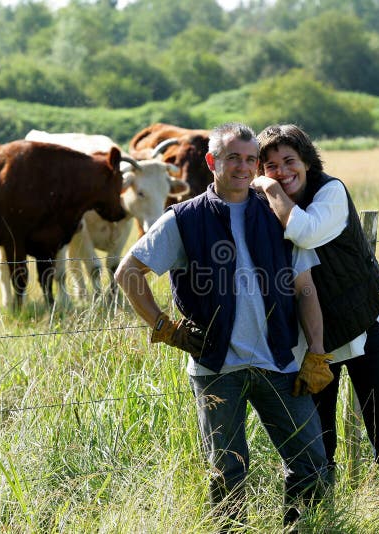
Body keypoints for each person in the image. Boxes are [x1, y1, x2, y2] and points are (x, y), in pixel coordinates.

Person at [115, 122, 331, 531]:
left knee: (311, 462)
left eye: (251, 159)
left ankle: (301, 529)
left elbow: (304, 289)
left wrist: (316, 354)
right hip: (216, 369)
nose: (244, 167)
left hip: (280, 363)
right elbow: (128, 272)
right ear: (212, 161)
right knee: (227, 474)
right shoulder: (184, 219)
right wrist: (165, 326)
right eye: (234, 157)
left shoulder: (277, 212)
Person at [251, 124, 379, 530]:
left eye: (289, 161)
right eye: (270, 166)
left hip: (365, 333)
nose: (282, 171)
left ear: (307, 160)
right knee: (314, 447)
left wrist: (268, 189)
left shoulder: (331, 192)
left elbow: (307, 232)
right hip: (309, 346)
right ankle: (308, 525)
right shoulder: (259, 211)